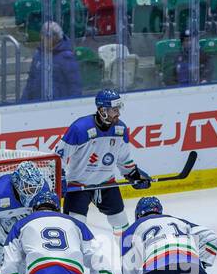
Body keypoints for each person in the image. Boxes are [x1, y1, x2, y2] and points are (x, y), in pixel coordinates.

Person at [57, 89, 152, 235]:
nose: (118, 114)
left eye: (118, 109)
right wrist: (60, 178)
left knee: (122, 225)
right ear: (102, 110)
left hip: (107, 183)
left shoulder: (121, 129)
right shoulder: (80, 128)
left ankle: (126, 255)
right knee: (75, 230)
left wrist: (134, 173)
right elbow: (59, 156)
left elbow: (123, 158)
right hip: (78, 184)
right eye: (114, 110)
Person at [21, 21, 81, 101]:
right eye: (42, 34)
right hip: (37, 103)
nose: (43, 38)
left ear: (56, 38)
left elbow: (74, 84)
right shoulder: (38, 54)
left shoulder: (66, 56)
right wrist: (23, 101)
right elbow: (31, 81)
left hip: (58, 105)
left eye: (47, 36)